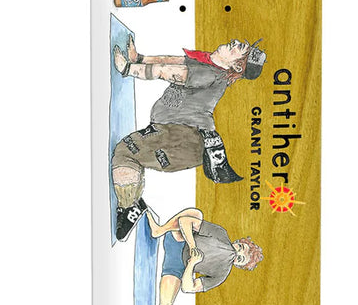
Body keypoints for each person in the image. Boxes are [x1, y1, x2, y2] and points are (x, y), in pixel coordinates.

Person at [111, 35, 266, 241]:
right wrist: (140, 58)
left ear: (237, 65)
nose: (235, 41)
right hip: (174, 132)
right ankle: (134, 202)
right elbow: (172, 60)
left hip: (182, 139)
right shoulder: (208, 63)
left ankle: (128, 208)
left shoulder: (208, 74)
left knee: (125, 152)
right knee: (134, 153)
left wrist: (127, 69)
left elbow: (163, 71)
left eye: (240, 48)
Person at [144, 207, 262, 305]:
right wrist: (192, 245)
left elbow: (188, 287)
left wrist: (192, 264)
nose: (235, 252)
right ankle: (159, 230)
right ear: (238, 242)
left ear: (239, 265)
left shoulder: (221, 274)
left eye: (239, 258)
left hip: (176, 268)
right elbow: (184, 221)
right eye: (240, 247)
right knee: (196, 214)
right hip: (177, 240)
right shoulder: (220, 233)